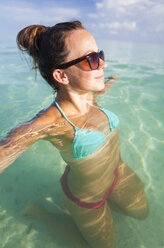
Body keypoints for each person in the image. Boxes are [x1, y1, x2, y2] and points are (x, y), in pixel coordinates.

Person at [0, 21, 148, 248]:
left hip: (119, 173)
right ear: (62, 76)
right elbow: (10, 146)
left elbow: (94, 96)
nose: (103, 63)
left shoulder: (88, 96)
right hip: (88, 199)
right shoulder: (53, 122)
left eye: (100, 54)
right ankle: (43, 214)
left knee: (142, 214)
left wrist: (105, 85)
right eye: (92, 60)